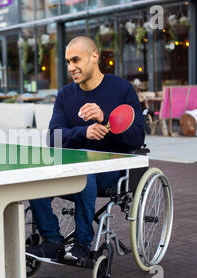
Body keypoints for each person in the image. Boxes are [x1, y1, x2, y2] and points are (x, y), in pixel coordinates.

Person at [26, 36, 145, 262]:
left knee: (84, 173)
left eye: (76, 60)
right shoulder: (65, 95)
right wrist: (84, 132)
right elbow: (53, 138)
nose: (71, 67)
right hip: (72, 169)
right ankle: (53, 241)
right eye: (68, 62)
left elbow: (137, 138)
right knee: (34, 174)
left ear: (94, 57)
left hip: (110, 173)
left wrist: (106, 120)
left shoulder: (122, 90)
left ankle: (82, 243)